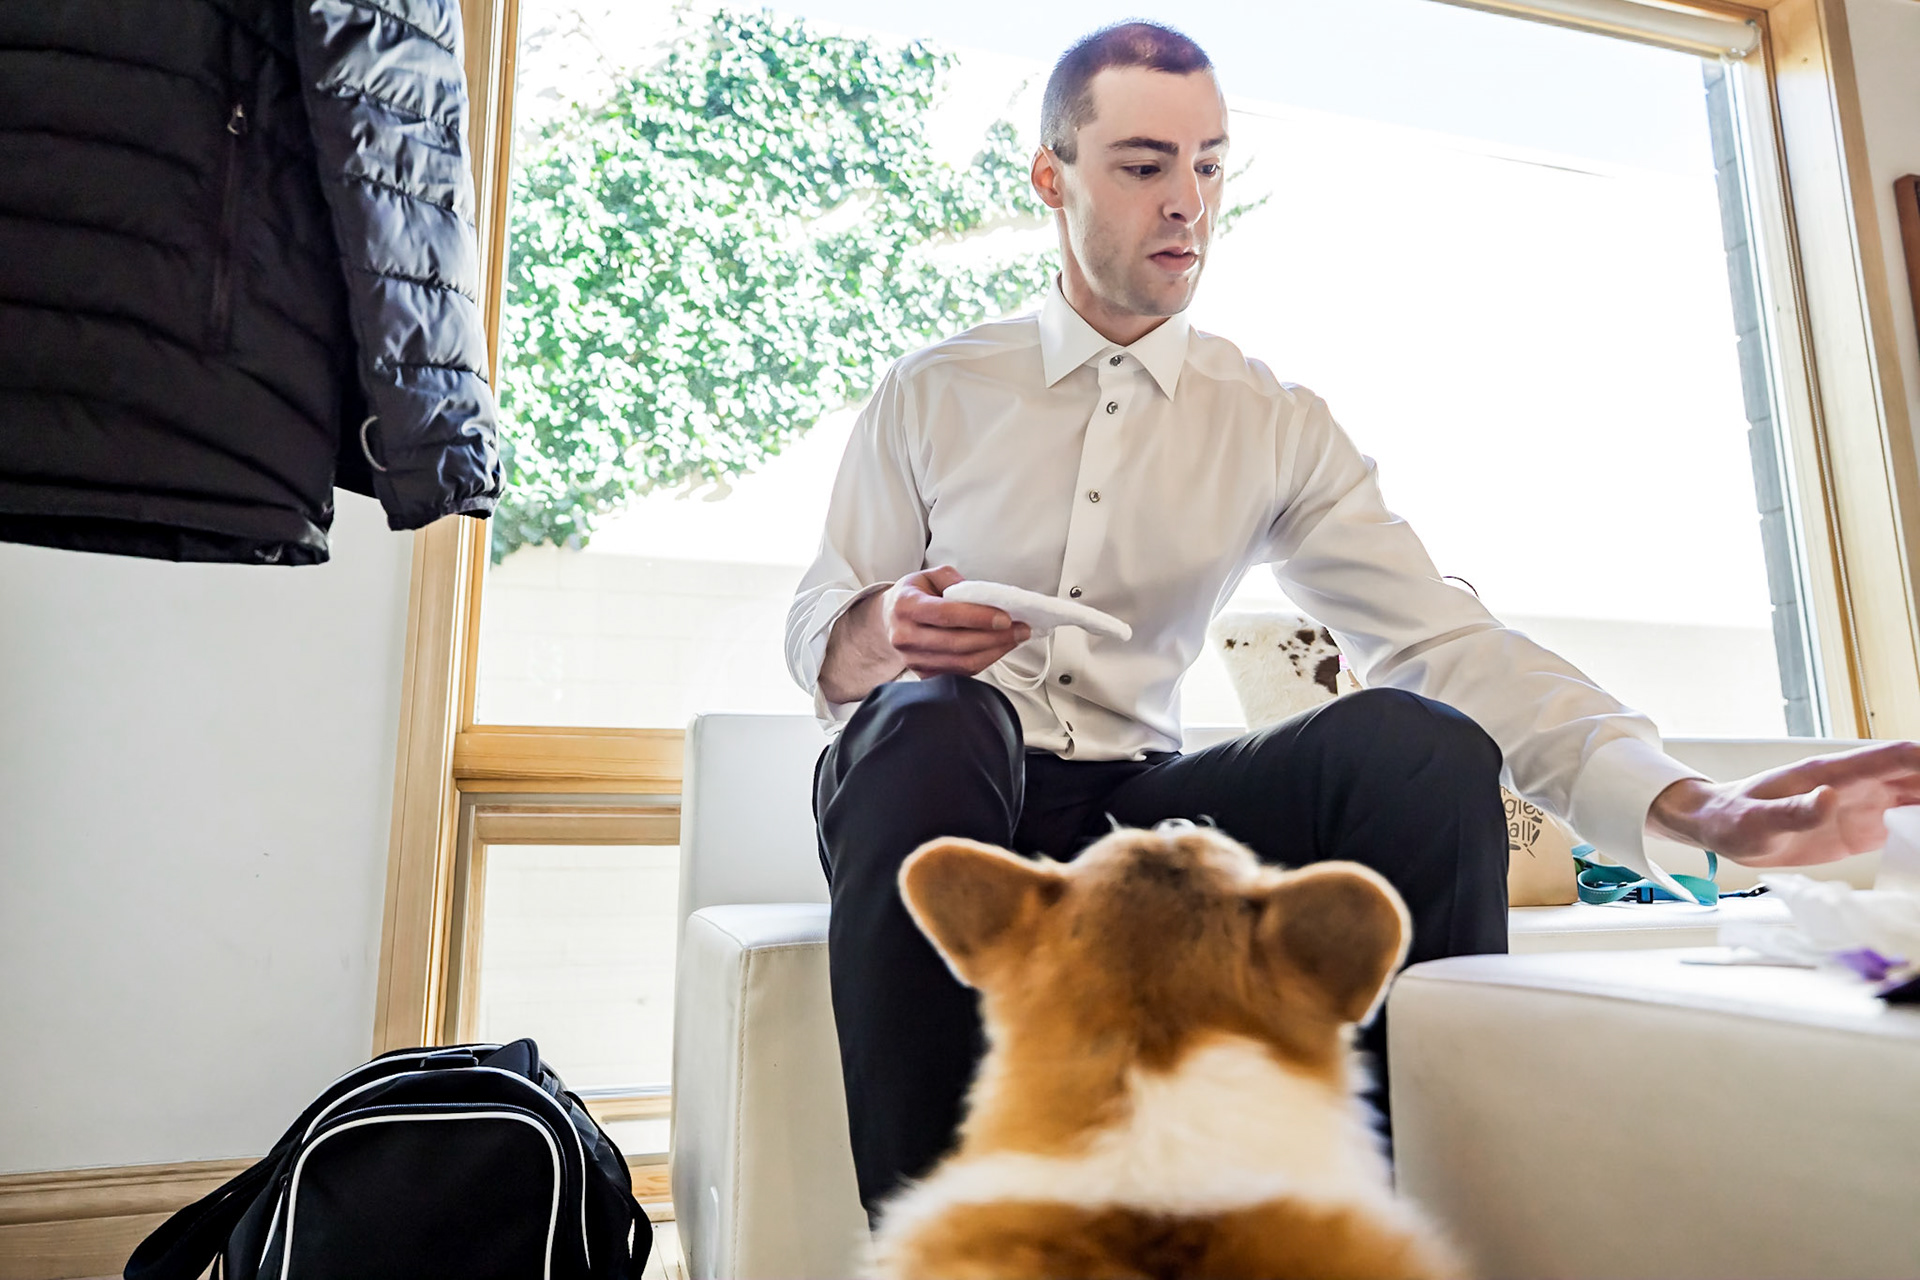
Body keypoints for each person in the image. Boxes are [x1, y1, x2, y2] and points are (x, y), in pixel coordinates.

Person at [784, 20, 1920, 1223]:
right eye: (1142, 164)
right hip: (950, 792)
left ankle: (1390, 1219)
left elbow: (1443, 638)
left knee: (1420, 742)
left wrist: (1701, 805)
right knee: (940, 716)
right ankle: (938, 1234)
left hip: (1134, 807)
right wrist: (886, 626)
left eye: (1211, 163)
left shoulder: (1271, 419)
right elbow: (823, 624)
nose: (1188, 203)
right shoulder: (935, 388)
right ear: (1051, 178)